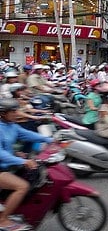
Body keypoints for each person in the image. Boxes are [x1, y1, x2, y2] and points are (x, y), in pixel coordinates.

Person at [0, 99, 53, 231]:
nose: (17, 113)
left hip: (7, 165)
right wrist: (22, 161)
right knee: (22, 186)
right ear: (3, 113)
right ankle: (2, 220)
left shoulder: (12, 125)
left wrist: (51, 139)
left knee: (30, 175)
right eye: (13, 111)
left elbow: (28, 135)